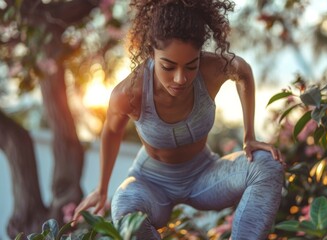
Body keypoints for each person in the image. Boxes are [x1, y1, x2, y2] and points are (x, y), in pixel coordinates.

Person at [72, 0, 285, 239]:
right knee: (125, 207)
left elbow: (243, 73)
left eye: (191, 66)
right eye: (168, 66)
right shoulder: (129, 94)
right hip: (152, 184)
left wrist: (250, 137)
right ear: (151, 51)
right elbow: (111, 132)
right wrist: (102, 189)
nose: (181, 78)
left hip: (204, 175)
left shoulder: (213, 69)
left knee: (267, 165)